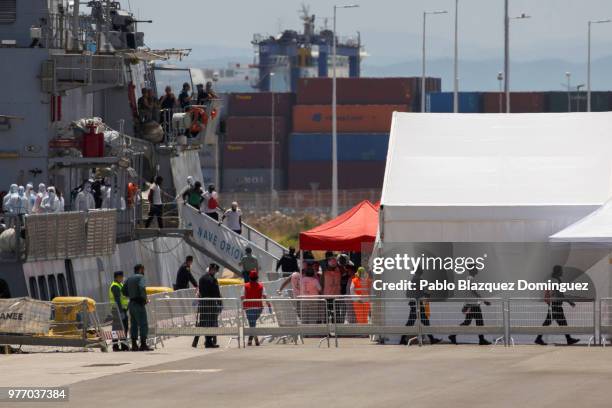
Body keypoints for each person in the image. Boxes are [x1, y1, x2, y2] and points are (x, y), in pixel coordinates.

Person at [535, 265, 580, 346]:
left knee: (554, 323)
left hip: (553, 304)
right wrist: (569, 302)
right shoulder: (557, 280)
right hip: (556, 305)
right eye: (561, 270)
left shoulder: (552, 279)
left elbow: (551, 292)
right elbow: (560, 294)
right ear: (558, 271)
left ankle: (538, 338)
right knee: (560, 323)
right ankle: (568, 339)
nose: (562, 272)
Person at [448, 264, 492, 346]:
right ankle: (481, 340)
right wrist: (484, 301)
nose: (477, 270)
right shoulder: (471, 279)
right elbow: (474, 291)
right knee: (479, 323)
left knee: (467, 322)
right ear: (472, 270)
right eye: (475, 268)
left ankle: (452, 335)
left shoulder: (468, 278)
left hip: (470, 305)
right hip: (474, 305)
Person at [399, 268, 442, 345]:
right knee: (422, 322)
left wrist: (422, 295)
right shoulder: (418, 280)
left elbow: (409, 294)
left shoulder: (412, 280)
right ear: (419, 272)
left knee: (414, 322)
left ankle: (402, 339)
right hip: (417, 304)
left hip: (414, 304)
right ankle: (432, 339)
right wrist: (427, 295)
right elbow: (419, 293)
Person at [121, 264, 152, 351]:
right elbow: (142, 287)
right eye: (143, 270)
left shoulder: (129, 278)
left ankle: (134, 345)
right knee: (143, 324)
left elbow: (123, 290)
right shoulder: (140, 277)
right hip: (139, 303)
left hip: (131, 304)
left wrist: (130, 295)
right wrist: (144, 299)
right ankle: (143, 344)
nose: (144, 272)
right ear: (141, 269)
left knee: (133, 324)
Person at [192, 263, 222, 349]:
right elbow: (216, 293)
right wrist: (219, 303)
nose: (215, 272)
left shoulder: (201, 278)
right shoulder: (213, 280)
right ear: (212, 270)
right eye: (215, 271)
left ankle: (195, 340)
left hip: (203, 303)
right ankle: (208, 342)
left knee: (202, 322)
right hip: (211, 303)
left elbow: (200, 291)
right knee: (211, 322)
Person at [241, 270, 271, 346]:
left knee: (252, 323)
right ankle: (254, 340)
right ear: (257, 278)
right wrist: (269, 305)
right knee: (253, 323)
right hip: (258, 308)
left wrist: (242, 306)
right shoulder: (261, 286)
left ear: (249, 278)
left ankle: (253, 339)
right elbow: (265, 296)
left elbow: (242, 297)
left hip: (248, 308)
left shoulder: (245, 286)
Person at [108, 271, 130, 351]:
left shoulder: (120, 284)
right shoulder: (115, 286)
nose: (122, 278)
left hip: (121, 310)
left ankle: (123, 345)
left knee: (123, 328)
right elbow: (117, 300)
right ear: (117, 277)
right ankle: (115, 346)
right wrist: (120, 311)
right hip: (117, 310)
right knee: (118, 328)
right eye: (121, 277)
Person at [321, 256, 342, 323]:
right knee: (336, 314)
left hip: (327, 297)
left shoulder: (324, 273)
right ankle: (337, 331)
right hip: (336, 297)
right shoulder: (339, 273)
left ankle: (326, 331)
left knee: (326, 315)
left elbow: (322, 283)